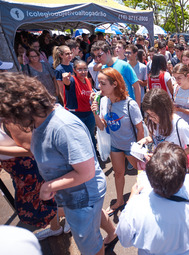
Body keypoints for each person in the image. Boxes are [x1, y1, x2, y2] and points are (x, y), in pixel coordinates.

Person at [0, 72, 109, 255]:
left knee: (89, 245)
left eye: (8, 117)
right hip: (72, 196)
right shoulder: (39, 122)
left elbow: (87, 172)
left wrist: (48, 186)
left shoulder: (62, 127)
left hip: (83, 198)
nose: (8, 123)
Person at [115, 141, 189, 254]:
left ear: (150, 179)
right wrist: (159, 165)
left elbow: (125, 240)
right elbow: (173, 174)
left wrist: (131, 199)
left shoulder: (136, 208)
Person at [91, 68, 144, 214]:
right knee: (118, 173)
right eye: (99, 83)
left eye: (102, 83)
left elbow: (140, 129)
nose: (99, 87)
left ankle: (143, 200)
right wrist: (95, 113)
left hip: (131, 147)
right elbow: (102, 126)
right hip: (115, 147)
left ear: (114, 84)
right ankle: (120, 200)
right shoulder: (104, 102)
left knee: (142, 175)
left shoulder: (130, 104)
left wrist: (139, 149)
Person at [0, 121, 63, 239]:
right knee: (44, 202)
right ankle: (57, 227)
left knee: (31, 210)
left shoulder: (9, 122)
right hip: (18, 174)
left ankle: (75, 214)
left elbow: (29, 149)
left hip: (29, 172)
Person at [137, 88, 189, 157]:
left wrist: (172, 156)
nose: (150, 118)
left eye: (153, 114)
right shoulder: (152, 121)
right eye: (148, 114)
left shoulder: (181, 125)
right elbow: (153, 137)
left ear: (164, 111)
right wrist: (145, 140)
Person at [91, 41, 141, 107]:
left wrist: (137, 108)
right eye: (96, 56)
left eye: (100, 55)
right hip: (111, 108)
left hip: (126, 107)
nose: (98, 59)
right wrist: (98, 94)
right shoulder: (103, 68)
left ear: (108, 52)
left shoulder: (124, 65)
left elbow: (137, 87)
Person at [61, 60, 96, 148]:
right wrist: (65, 79)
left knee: (91, 135)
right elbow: (67, 83)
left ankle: (94, 152)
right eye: (80, 69)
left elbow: (89, 93)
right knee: (79, 138)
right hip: (76, 116)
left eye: (85, 69)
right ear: (74, 70)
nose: (83, 72)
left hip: (89, 114)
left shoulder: (87, 80)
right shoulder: (72, 80)